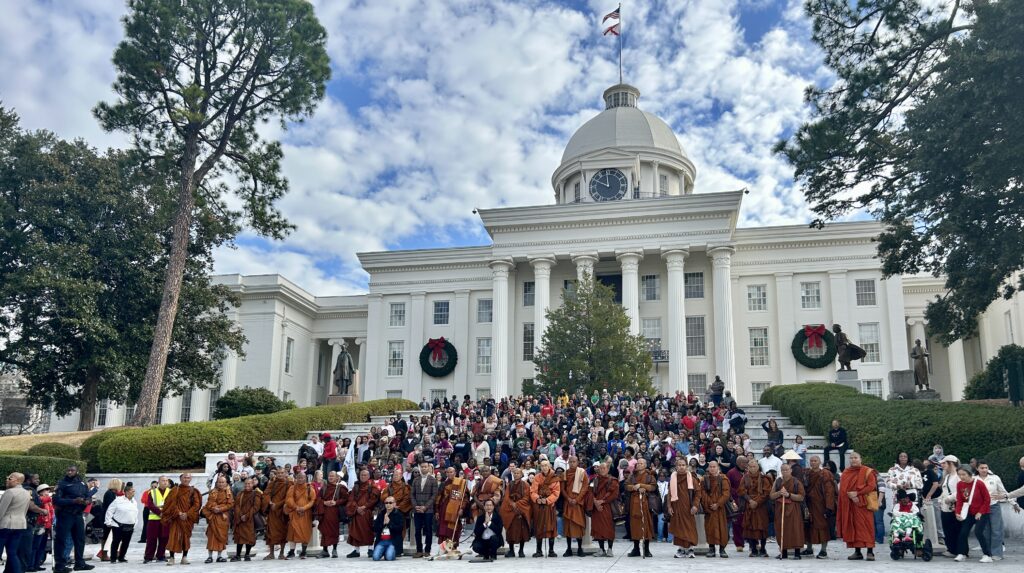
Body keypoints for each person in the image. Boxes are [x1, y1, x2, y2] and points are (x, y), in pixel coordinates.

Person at [52, 466, 92, 573]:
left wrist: (87, 501)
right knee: (61, 540)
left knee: (80, 540)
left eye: (72, 470)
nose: (70, 472)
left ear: (77, 471)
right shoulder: (62, 484)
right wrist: (73, 501)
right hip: (66, 514)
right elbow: (56, 500)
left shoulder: (82, 483)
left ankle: (80, 563)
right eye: (68, 470)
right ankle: (59, 565)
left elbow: (88, 495)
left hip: (78, 515)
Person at [836, 452, 876, 561]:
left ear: (860, 459)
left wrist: (857, 493)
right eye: (851, 458)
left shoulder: (867, 471)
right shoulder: (846, 472)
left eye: (856, 458)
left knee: (867, 527)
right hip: (850, 504)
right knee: (854, 527)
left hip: (864, 504)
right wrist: (851, 495)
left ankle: (870, 552)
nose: (853, 460)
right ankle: (857, 552)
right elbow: (843, 489)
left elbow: (872, 486)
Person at [953, 465, 992, 563]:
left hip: (981, 512)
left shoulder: (979, 483)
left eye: (964, 474)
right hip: (968, 512)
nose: (962, 477)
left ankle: (987, 555)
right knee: (963, 533)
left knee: (978, 532)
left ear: (970, 474)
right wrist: (957, 512)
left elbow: (987, 499)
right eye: (959, 475)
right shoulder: (959, 484)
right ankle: (962, 553)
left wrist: (980, 512)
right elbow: (960, 500)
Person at [161, 472, 202, 565]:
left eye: (188, 478)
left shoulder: (193, 491)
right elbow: (170, 504)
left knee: (186, 537)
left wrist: (187, 514)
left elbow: (196, 505)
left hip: (187, 518)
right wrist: (179, 513)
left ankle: (184, 557)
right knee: (173, 537)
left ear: (190, 479)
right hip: (176, 517)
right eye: (184, 477)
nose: (186, 479)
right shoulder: (175, 490)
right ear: (180, 479)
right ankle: (172, 558)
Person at [770, 462, 805, 560]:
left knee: (795, 530)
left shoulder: (796, 482)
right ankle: (783, 552)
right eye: (783, 470)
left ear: (791, 470)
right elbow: (771, 496)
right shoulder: (777, 481)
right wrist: (779, 493)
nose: (785, 472)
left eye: (787, 470)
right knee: (781, 529)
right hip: (780, 508)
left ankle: (797, 553)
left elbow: (801, 497)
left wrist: (789, 495)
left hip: (794, 509)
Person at [803, 455, 836, 559]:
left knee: (822, 526)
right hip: (809, 503)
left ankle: (823, 550)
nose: (813, 463)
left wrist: (829, 507)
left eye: (815, 461)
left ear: (820, 462)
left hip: (821, 504)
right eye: (811, 461)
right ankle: (809, 549)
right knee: (808, 525)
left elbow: (829, 491)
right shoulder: (807, 473)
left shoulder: (825, 474)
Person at [668, 458, 701, 559]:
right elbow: (669, 494)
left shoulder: (692, 478)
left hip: (688, 507)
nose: (681, 467)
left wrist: (695, 505)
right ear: (676, 467)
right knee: (678, 528)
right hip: (676, 507)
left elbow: (698, 493)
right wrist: (669, 506)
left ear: (687, 466)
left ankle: (690, 549)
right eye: (679, 465)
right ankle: (681, 549)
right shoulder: (673, 478)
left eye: (683, 465)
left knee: (689, 527)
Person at [738, 458, 771, 558]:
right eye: (751, 467)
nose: (752, 468)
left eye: (755, 466)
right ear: (748, 468)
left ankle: (763, 548)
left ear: (758, 467)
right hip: (749, 505)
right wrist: (750, 501)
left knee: (763, 527)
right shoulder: (745, 477)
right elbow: (741, 491)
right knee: (750, 527)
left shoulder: (764, 478)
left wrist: (757, 501)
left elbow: (766, 492)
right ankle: (753, 549)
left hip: (761, 506)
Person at [1, 473, 32, 573]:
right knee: (12, 553)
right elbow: (25, 510)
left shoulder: (10, 492)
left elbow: (1, 511)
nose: (7, 479)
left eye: (10, 478)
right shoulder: (27, 493)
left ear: (18, 481)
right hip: (20, 525)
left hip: (6, 525)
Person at [977, 461, 1008, 561]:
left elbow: (1003, 492)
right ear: (977, 469)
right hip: (981, 508)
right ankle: (988, 552)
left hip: (994, 506)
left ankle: (997, 553)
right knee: (985, 530)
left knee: (996, 529)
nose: (984, 470)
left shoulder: (995, 478)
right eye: (982, 468)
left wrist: (1013, 502)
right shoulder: (974, 479)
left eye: (986, 467)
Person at [529, 459, 559, 557]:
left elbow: (556, 493)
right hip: (539, 506)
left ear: (549, 466)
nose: (544, 467)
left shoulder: (555, 477)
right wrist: (538, 499)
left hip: (550, 506)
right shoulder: (537, 477)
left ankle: (551, 550)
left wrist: (547, 500)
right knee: (539, 527)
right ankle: (539, 550)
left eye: (546, 465)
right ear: (540, 467)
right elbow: (533, 491)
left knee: (551, 527)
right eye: (542, 466)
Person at [436, 466, 469, 555]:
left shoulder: (461, 483)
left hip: (455, 510)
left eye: (452, 472)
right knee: (443, 529)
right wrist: (437, 511)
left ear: (455, 473)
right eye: (448, 472)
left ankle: (453, 547)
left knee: (454, 529)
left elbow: (465, 498)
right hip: (444, 509)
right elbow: (439, 498)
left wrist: (462, 508)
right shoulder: (443, 484)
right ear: (446, 473)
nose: (450, 474)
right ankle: (444, 548)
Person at [701, 460, 731, 558]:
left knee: (722, 528)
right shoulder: (704, 479)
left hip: (720, 509)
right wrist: (710, 503)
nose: (712, 469)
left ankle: (722, 549)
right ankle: (711, 548)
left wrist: (717, 504)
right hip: (709, 508)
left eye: (714, 467)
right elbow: (702, 492)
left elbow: (726, 493)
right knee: (710, 528)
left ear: (718, 467)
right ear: (708, 468)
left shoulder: (723, 478)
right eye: (711, 467)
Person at [314, 471, 347, 559]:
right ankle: (325, 551)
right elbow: (317, 499)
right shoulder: (324, 488)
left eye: (332, 476)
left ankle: (334, 550)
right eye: (329, 476)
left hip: (334, 512)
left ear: (337, 478)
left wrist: (336, 502)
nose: (330, 477)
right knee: (324, 532)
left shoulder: (340, 487)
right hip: (324, 512)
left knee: (334, 531)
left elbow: (345, 499)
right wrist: (324, 502)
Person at [346, 469, 378, 558]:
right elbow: (351, 499)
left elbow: (374, 498)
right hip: (356, 511)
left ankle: (370, 549)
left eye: (365, 475)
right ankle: (356, 551)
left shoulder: (372, 485)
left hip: (367, 511)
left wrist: (364, 507)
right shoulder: (356, 486)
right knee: (355, 531)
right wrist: (356, 508)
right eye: (361, 475)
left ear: (368, 476)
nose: (363, 477)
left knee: (368, 531)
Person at [201, 475, 234, 563]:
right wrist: (214, 508)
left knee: (222, 537)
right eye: (219, 482)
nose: (221, 484)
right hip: (213, 516)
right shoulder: (213, 492)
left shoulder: (229, 492)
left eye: (223, 482)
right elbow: (209, 503)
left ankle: (219, 556)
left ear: (226, 483)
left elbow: (230, 504)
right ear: (216, 483)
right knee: (212, 536)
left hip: (223, 518)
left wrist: (220, 509)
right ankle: (210, 556)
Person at [560, 456, 587, 556]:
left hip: (578, 503)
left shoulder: (582, 472)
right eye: (570, 462)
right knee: (568, 526)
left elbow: (585, 488)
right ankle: (568, 549)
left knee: (579, 525)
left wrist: (577, 499)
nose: (572, 463)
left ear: (578, 462)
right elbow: (562, 489)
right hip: (568, 503)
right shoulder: (565, 474)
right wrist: (568, 499)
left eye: (574, 462)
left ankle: (580, 548)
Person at [284, 473, 316, 560]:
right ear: (296, 478)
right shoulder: (292, 488)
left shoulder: (310, 489)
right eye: (299, 477)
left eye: (302, 477)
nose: (300, 479)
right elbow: (289, 499)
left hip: (306, 513)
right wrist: (296, 507)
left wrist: (304, 508)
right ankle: (291, 552)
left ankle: (303, 552)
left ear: (305, 478)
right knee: (292, 532)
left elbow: (312, 501)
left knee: (305, 532)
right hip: (294, 513)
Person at [230, 477, 263, 561]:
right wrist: (240, 515)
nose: (247, 485)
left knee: (249, 537)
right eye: (246, 483)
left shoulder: (256, 494)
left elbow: (256, 507)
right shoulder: (240, 493)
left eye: (249, 483)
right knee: (239, 537)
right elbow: (236, 505)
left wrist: (247, 515)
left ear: (253, 484)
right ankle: (238, 555)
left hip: (250, 519)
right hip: (240, 519)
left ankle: (247, 555)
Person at [589, 462, 618, 557]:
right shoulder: (595, 480)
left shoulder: (612, 480)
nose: (602, 470)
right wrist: (595, 501)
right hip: (597, 508)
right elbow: (590, 492)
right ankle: (601, 549)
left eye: (604, 468)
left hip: (607, 506)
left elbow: (613, 493)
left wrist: (602, 501)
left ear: (608, 469)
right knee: (598, 529)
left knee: (609, 528)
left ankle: (610, 549)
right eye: (600, 468)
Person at [103, 483, 136, 564]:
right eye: (133, 491)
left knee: (126, 543)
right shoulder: (118, 500)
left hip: (130, 525)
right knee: (116, 542)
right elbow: (109, 511)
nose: (134, 493)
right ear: (127, 492)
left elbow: (135, 513)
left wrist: (135, 523)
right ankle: (113, 558)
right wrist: (108, 521)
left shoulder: (134, 501)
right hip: (118, 525)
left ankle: (121, 557)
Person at [410, 462, 437, 558]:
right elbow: (412, 495)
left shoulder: (433, 480)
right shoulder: (415, 480)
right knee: (417, 531)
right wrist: (415, 506)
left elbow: (434, 496)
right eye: (422, 467)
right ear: (420, 468)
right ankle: (419, 550)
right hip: (417, 509)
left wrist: (425, 507)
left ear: (429, 468)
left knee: (428, 530)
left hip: (428, 510)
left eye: (425, 467)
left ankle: (427, 550)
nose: (423, 468)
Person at [938, 454, 962, 557]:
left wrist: (950, 498)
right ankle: (951, 549)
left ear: (951, 463)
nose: (942, 465)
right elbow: (944, 491)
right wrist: (941, 499)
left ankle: (958, 550)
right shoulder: (947, 476)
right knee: (947, 528)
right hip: (945, 507)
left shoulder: (958, 476)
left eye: (944, 463)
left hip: (955, 506)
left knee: (956, 529)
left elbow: (961, 490)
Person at [263, 468, 290, 560]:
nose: (280, 474)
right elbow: (266, 493)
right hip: (272, 511)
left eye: (282, 473)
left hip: (282, 511)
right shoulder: (272, 483)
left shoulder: (288, 484)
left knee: (283, 532)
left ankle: (281, 553)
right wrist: (269, 502)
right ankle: (271, 553)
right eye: (278, 473)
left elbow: (289, 497)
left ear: (285, 473)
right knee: (271, 532)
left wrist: (278, 504)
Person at [143, 477, 170, 563]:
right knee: (151, 539)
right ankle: (148, 557)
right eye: (163, 481)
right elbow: (150, 505)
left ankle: (160, 556)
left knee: (164, 538)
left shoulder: (171, 492)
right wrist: (160, 513)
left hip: (166, 519)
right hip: (154, 519)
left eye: (166, 481)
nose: (165, 482)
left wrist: (166, 513)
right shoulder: (152, 492)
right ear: (159, 482)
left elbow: (173, 504)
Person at [371, 497, 403, 561]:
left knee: (389, 557)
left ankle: (388, 552)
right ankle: (385, 551)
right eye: (386, 503)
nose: (388, 504)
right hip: (381, 541)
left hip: (392, 541)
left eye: (390, 503)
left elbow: (399, 529)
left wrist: (389, 523)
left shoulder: (398, 514)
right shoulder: (381, 514)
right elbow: (374, 528)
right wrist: (383, 523)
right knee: (375, 557)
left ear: (394, 504)